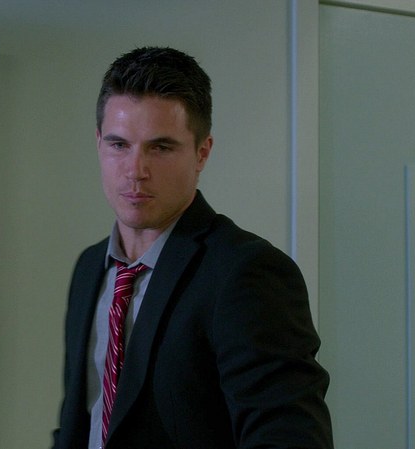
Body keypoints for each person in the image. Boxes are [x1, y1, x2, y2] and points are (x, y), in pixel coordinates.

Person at [51, 47, 333, 449]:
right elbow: (83, 422)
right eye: (119, 145)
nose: (136, 170)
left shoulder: (247, 272)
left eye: (160, 148)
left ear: (202, 153)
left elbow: (288, 440)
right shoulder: (90, 267)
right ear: (99, 143)